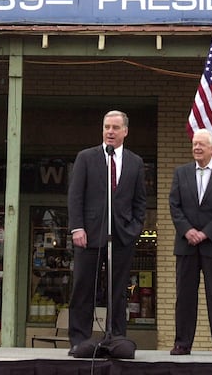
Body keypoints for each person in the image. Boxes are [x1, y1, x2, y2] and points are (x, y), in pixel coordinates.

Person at [67, 110, 146, 355]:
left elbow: (139, 201)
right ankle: (79, 340)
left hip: (122, 237)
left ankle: (117, 338)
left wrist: (134, 229)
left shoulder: (135, 162)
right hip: (88, 235)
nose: (110, 131)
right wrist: (77, 227)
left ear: (125, 131)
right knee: (83, 288)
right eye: (106, 127)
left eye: (115, 127)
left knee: (119, 290)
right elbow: (75, 195)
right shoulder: (86, 157)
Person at [168, 129, 212, 357]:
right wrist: (187, 231)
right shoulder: (181, 173)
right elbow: (174, 206)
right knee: (185, 296)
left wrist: (205, 233)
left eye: (201, 144)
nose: (196, 148)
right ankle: (182, 343)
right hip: (186, 245)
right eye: (194, 144)